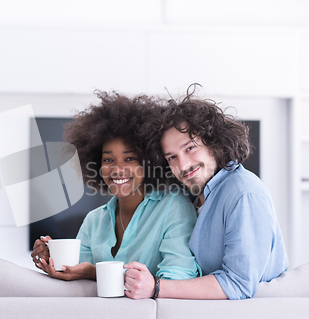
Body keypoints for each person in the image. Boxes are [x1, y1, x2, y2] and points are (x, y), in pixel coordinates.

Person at [31, 91, 201, 298]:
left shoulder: (173, 207)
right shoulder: (94, 221)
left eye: (129, 159)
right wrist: (54, 261)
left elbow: (178, 279)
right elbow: (77, 279)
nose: (117, 169)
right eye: (108, 160)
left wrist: (95, 272)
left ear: (149, 162)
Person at [128, 85, 289, 300]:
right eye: (171, 157)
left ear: (214, 142)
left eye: (190, 148)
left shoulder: (243, 193)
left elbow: (238, 285)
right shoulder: (195, 196)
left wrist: (156, 287)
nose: (183, 164)